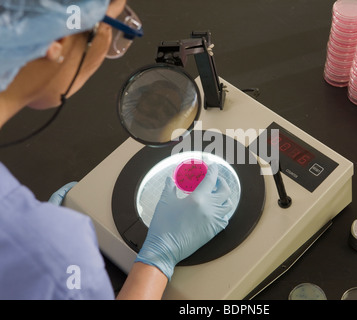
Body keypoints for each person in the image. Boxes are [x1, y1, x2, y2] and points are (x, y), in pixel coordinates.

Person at [0, 0, 233, 300]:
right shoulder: (55, 262)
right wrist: (158, 259)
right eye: (112, 24)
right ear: (58, 39)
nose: (111, 42)